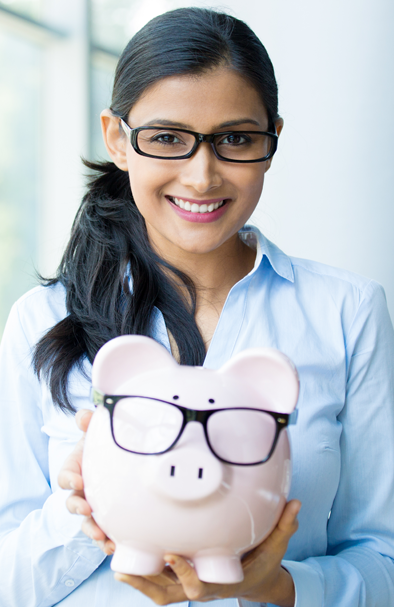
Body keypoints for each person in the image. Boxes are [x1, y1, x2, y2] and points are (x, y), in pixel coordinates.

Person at [0, 7, 393, 607]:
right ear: (117, 140)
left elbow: (384, 558)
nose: (202, 175)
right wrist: (83, 508)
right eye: (167, 139)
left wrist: (280, 588)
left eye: (236, 138)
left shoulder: (348, 312)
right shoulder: (41, 321)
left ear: (272, 143)